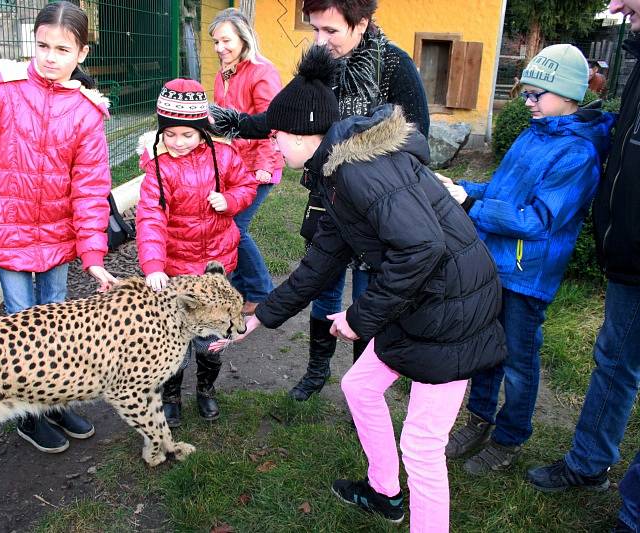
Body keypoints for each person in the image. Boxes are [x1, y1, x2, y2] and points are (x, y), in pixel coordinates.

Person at [213, 45, 506, 532]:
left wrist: (359, 317)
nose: (273, 146)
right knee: (360, 385)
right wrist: (258, 318)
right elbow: (321, 262)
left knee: (422, 444)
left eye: (275, 136)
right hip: (417, 303)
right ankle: (384, 493)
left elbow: (422, 249)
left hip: (453, 311)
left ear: (300, 135)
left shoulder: (359, 172)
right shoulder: (336, 173)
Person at [210, 0, 430, 403]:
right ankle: (315, 372)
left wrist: (378, 183)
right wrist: (231, 121)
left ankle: (364, 390)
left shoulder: (395, 68)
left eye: (330, 31)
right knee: (323, 287)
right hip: (327, 197)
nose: (319, 41)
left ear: (361, 23)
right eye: (314, 29)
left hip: (376, 207)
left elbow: (418, 139)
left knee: (368, 300)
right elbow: (285, 118)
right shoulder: (321, 66)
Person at [438, 44, 615, 475]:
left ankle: (509, 436)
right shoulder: (535, 132)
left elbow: (537, 220)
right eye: (526, 93)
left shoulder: (578, 154)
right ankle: (479, 419)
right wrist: (460, 188)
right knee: (484, 347)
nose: (528, 102)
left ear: (568, 95)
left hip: (527, 276)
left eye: (537, 94)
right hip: (492, 263)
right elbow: (503, 191)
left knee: (518, 362)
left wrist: (469, 206)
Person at [0, 2, 117, 454]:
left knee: (56, 325)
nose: (49, 56)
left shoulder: (85, 113)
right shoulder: (2, 94)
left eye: (62, 48)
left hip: (58, 240)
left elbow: (89, 188)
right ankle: (27, 414)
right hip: (6, 234)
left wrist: (94, 255)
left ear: (80, 53)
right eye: (42, 45)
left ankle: (55, 401)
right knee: (21, 328)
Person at [524, 4, 640, 531]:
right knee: (614, 362)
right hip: (628, 255)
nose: (616, 6)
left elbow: (540, 213)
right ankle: (590, 464)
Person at [135, 78, 257, 427]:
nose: (178, 142)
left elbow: (246, 185)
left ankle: (206, 390)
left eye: (187, 134)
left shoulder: (224, 156)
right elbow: (151, 217)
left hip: (217, 266)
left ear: (202, 129)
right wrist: (155, 265)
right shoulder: (159, 168)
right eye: (170, 134)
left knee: (210, 337)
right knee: (174, 337)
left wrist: (230, 200)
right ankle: (171, 395)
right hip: (175, 270)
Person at [209, 8, 284, 316]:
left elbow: (272, 122)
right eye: (215, 42)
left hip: (258, 166)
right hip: (234, 166)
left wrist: (265, 164)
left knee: (236, 228)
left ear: (243, 37)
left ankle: (261, 291)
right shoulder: (223, 74)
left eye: (226, 40)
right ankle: (242, 288)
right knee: (229, 226)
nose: (220, 48)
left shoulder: (262, 71)